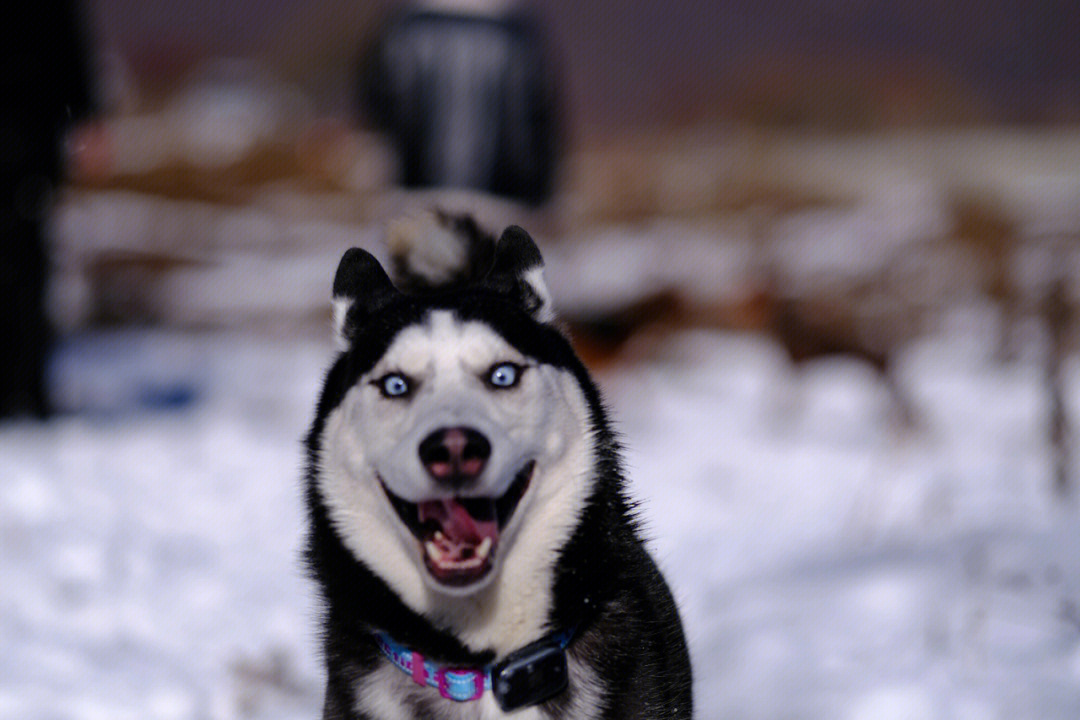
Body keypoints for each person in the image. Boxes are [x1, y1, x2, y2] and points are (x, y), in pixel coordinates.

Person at [0, 0, 101, 418]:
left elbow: (67, 44)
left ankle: (25, 390)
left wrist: (88, 118)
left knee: (25, 268)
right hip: (30, 135)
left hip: (27, 140)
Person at [359, 0, 559, 207]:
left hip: (416, 202)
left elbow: (377, 102)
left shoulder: (408, 25)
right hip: (503, 206)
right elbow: (538, 119)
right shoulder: (516, 30)